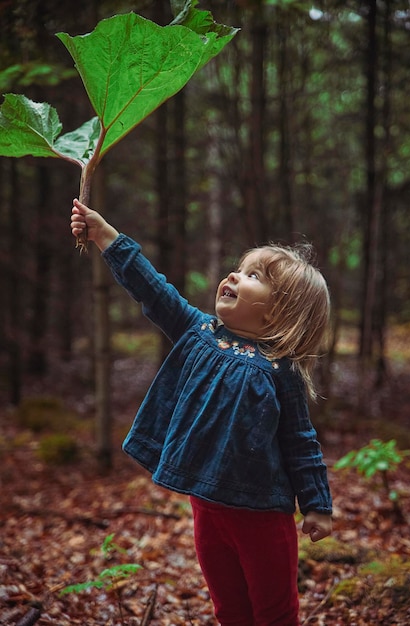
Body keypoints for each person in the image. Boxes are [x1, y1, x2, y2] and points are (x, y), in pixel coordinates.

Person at [70, 198, 333, 626]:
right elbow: (152, 289)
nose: (234, 275)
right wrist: (104, 235)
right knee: (229, 607)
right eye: (241, 267)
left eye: (254, 276)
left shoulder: (278, 370)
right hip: (206, 506)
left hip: (263, 514)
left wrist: (317, 503)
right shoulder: (198, 332)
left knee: (274, 611)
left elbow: (300, 440)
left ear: (281, 311)